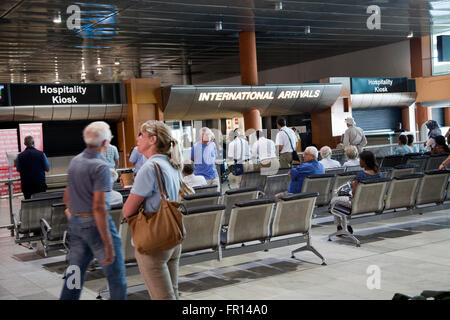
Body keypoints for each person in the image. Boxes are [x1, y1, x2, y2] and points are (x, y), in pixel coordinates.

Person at [60, 121, 127, 300]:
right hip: (95, 224)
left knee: (74, 275)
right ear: (105, 143)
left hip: (75, 222)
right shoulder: (101, 167)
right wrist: (108, 243)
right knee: (116, 276)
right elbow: (98, 207)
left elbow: (66, 198)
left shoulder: (75, 161)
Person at [122, 120, 183, 300]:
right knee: (173, 294)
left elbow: (127, 211)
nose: (138, 138)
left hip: (153, 242)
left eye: (141, 135)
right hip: (172, 237)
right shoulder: (172, 164)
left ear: (152, 140)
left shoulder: (149, 168)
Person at [330, 150, 383, 234]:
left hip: (358, 203)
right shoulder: (379, 174)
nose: (359, 161)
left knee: (334, 201)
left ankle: (340, 226)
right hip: (374, 202)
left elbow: (355, 194)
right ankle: (344, 225)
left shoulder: (360, 176)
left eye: (360, 159)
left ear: (365, 161)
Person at [190, 127, 220, 191]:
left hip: (214, 176)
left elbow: (214, 158)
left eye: (209, 134)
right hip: (201, 178)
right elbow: (192, 160)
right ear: (201, 136)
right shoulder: (195, 147)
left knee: (216, 196)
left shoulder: (213, 145)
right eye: (206, 134)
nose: (208, 136)